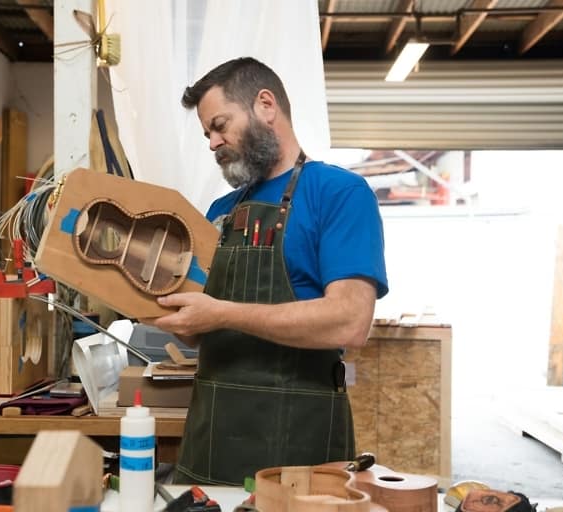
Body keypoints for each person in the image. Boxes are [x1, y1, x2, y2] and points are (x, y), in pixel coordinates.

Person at [153, 57, 388, 486]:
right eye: (207, 132)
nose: (212, 142)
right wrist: (139, 296)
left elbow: (351, 321)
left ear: (265, 105)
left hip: (300, 437)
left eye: (220, 125)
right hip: (213, 429)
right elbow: (194, 329)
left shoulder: (338, 192)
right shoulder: (220, 212)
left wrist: (222, 313)